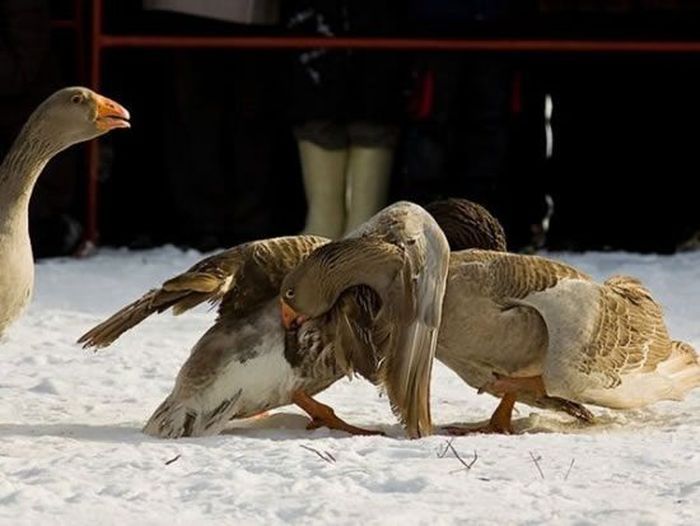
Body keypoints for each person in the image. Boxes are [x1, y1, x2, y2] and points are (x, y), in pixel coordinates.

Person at [285, 0, 405, 238]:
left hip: (379, 25)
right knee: (318, 113)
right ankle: (325, 228)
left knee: (374, 114)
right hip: (316, 24)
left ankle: (360, 231)